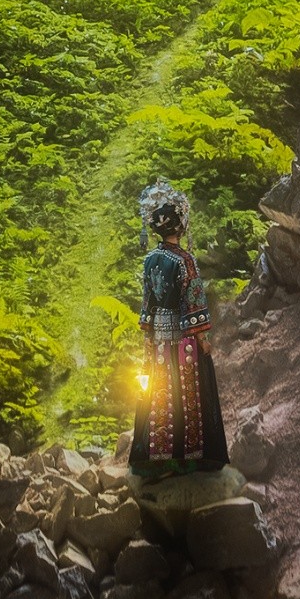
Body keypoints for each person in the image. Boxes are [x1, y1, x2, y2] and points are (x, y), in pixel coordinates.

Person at [127, 181, 227, 477]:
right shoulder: (185, 260)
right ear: (181, 226)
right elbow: (193, 301)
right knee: (187, 392)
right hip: (182, 339)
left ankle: (157, 457)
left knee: (159, 390)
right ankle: (188, 458)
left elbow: (147, 303)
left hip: (157, 335)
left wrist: (149, 333)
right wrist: (202, 339)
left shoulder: (150, 260)